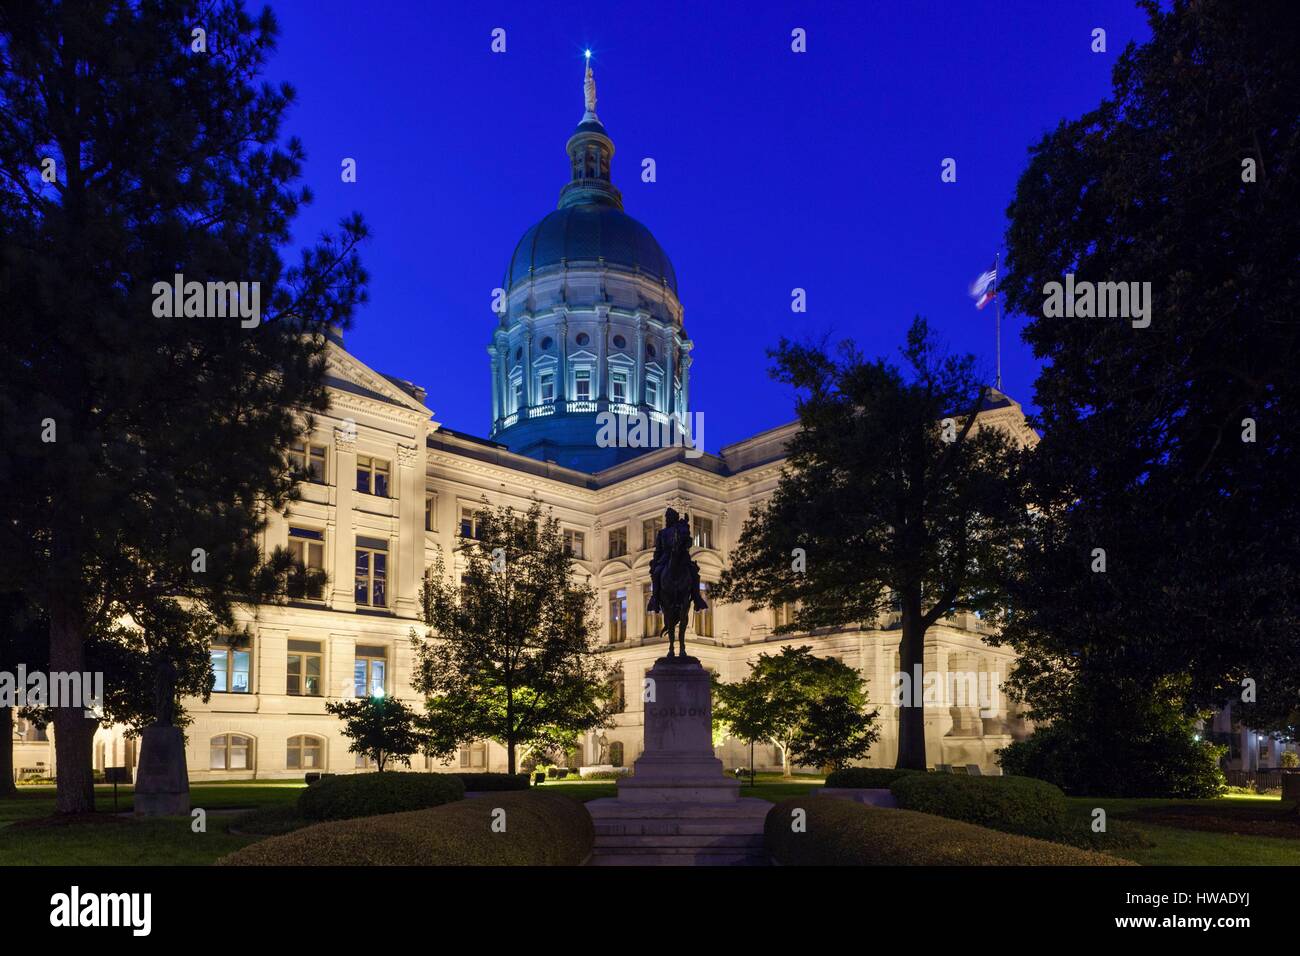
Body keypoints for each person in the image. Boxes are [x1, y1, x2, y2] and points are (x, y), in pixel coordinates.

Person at [647, 507, 708, 614]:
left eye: (668, 517)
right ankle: (655, 599)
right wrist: (655, 562)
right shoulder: (662, 533)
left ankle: (697, 598)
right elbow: (658, 549)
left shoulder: (681, 528)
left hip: (681, 556)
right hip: (665, 558)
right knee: (656, 574)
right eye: (666, 517)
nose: (667, 520)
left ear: (673, 518)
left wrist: (685, 539)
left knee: (694, 573)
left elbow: (688, 541)